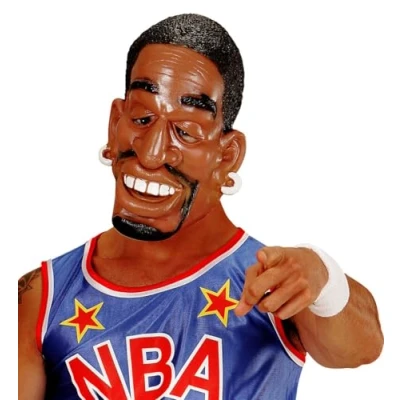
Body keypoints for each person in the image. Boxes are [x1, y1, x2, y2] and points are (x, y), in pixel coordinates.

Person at [18, 13, 383, 400]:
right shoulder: (43, 295)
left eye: (185, 131)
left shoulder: (272, 283)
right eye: (141, 118)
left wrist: (322, 274)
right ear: (114, 124)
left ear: (227, 156)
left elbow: (362, 348)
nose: (152, 153)